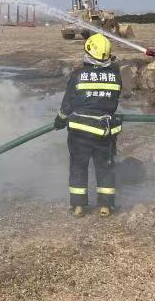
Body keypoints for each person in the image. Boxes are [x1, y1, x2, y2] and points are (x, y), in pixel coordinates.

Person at [54, 33, 123, 217]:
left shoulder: (78, 75)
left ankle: (79, 206)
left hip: (80, 133)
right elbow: (114, 102)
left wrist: (60, 120)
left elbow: (68, 104)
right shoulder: (115, 75)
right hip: (105, 132)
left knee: (78, 166)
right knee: (105, 167)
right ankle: (106, 206)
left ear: (88, 53)